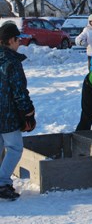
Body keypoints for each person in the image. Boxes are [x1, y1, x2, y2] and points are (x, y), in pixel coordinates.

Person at [0, 23, 36, 200]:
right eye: (18, 39)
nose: (20, 43)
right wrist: (28, 111)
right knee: (14, 148)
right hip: (6, 114)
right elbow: (19, 91)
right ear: (10, 40)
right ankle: (2, 183)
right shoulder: (11, 62)